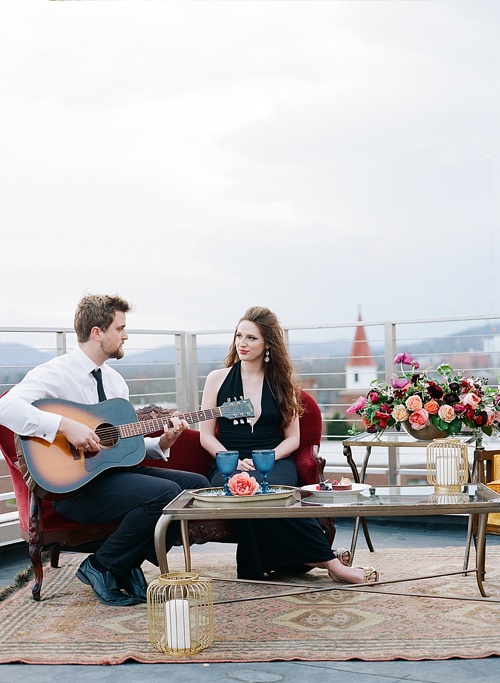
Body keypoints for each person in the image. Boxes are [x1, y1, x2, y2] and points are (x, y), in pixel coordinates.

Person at [0, 294, 209, 607]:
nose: (126, 335)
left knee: (198, 488)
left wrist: (161, 443)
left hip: (114, 478)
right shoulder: (56, 373)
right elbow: (6, 408)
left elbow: (121, 445)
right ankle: (101, 566)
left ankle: (123, 563)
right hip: (75, 489)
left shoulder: (114, 381)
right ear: (97, 332)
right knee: (164, 493)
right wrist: (64, 426)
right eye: (121, 328)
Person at [200, 306, 379, 585]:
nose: (242, 344)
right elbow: (206, 435)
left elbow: (293, 439)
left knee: (273, 493)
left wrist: (266, 457)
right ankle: (326, 560)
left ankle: (319, 561)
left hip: (274, 460)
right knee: (244, 492)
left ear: (268, 343)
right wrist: (232, 460)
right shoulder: (216, 379)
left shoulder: (282, 384)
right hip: (228, 463)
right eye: (239, 336)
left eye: (251, 338)